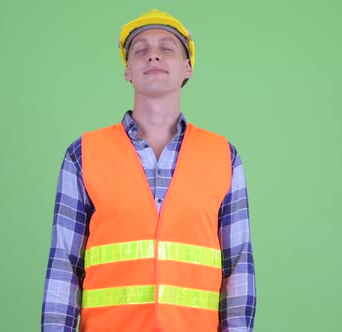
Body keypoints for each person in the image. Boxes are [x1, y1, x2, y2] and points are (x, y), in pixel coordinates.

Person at [41, 9, 256, 332]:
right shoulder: (83, 153)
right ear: (127, 70)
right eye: (140, 50)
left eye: (167, 47)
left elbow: (237, 266)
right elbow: (65, 265)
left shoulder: (223, 156)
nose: (153, 55)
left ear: (187, 67)